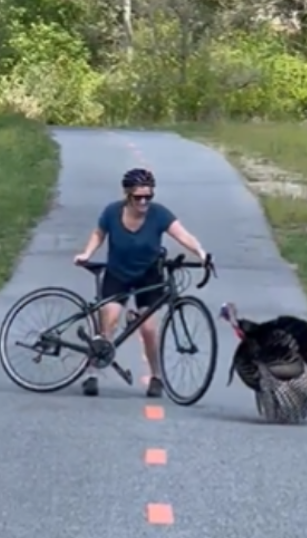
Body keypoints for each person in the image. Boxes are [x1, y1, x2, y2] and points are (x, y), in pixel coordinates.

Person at [72, 167, 208, 398]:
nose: (144, 201)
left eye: (148, 196)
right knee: (109, 322)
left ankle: (156, 377)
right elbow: (99, 234)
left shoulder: (159, 214)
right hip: (118, 274)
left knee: (148, 329)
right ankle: (91, 373)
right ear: (127, 195)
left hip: (149, 275)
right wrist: (87, 253)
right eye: (138, 197)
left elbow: (183, 235)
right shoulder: (112, 212)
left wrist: (201, 253)